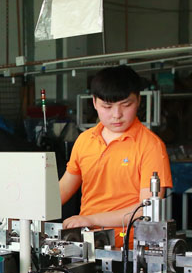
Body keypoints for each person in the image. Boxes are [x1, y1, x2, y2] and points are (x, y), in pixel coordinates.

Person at [60, 65, 171, 239]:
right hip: (87, 241)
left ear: (138, 100)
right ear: (94, 102)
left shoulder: (151, 146)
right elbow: (62, 190)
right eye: (107, 106)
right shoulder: (85, 140)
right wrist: (25, 210)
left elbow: (146, 209)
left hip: (130, 246)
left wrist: (90, 219)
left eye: (126, 105)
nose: (117, 114)